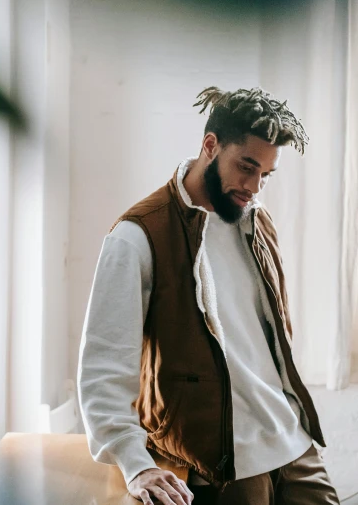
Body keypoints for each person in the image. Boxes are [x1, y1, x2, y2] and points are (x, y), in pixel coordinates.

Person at [77, 87, 340, 504]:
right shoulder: (138, 236)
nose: (253, 187)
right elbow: (104, 367)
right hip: (219, 455)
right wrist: (135, 463)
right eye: (246, 167)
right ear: (210, 145)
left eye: (265, 176)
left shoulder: (257, 224)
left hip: (291, 437)